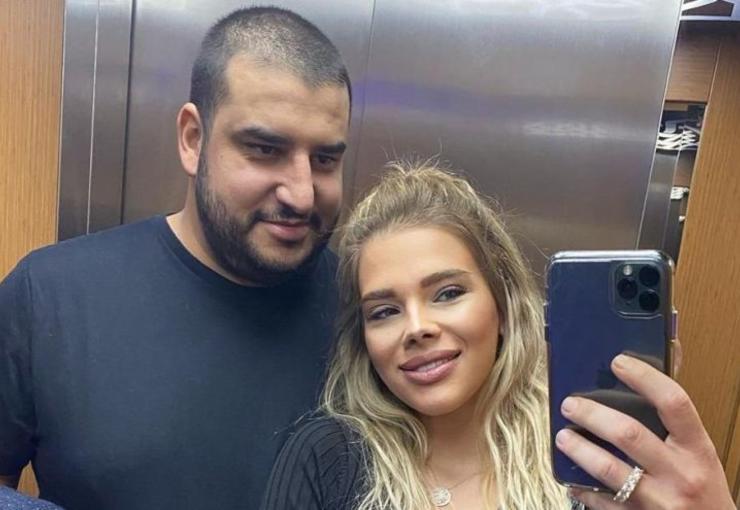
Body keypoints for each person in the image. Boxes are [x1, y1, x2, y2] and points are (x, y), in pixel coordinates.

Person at [0, 7, 350, 510]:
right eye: (264, 149)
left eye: (325, 159)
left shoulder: (372, 317)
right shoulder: (48, 297)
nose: (301, 193)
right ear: (192, 139)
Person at [261, 162, 735, 510]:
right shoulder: (327, 457)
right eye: (384, 311)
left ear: (503, 307)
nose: (417, 327)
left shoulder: (588, 453)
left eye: (448, 293)